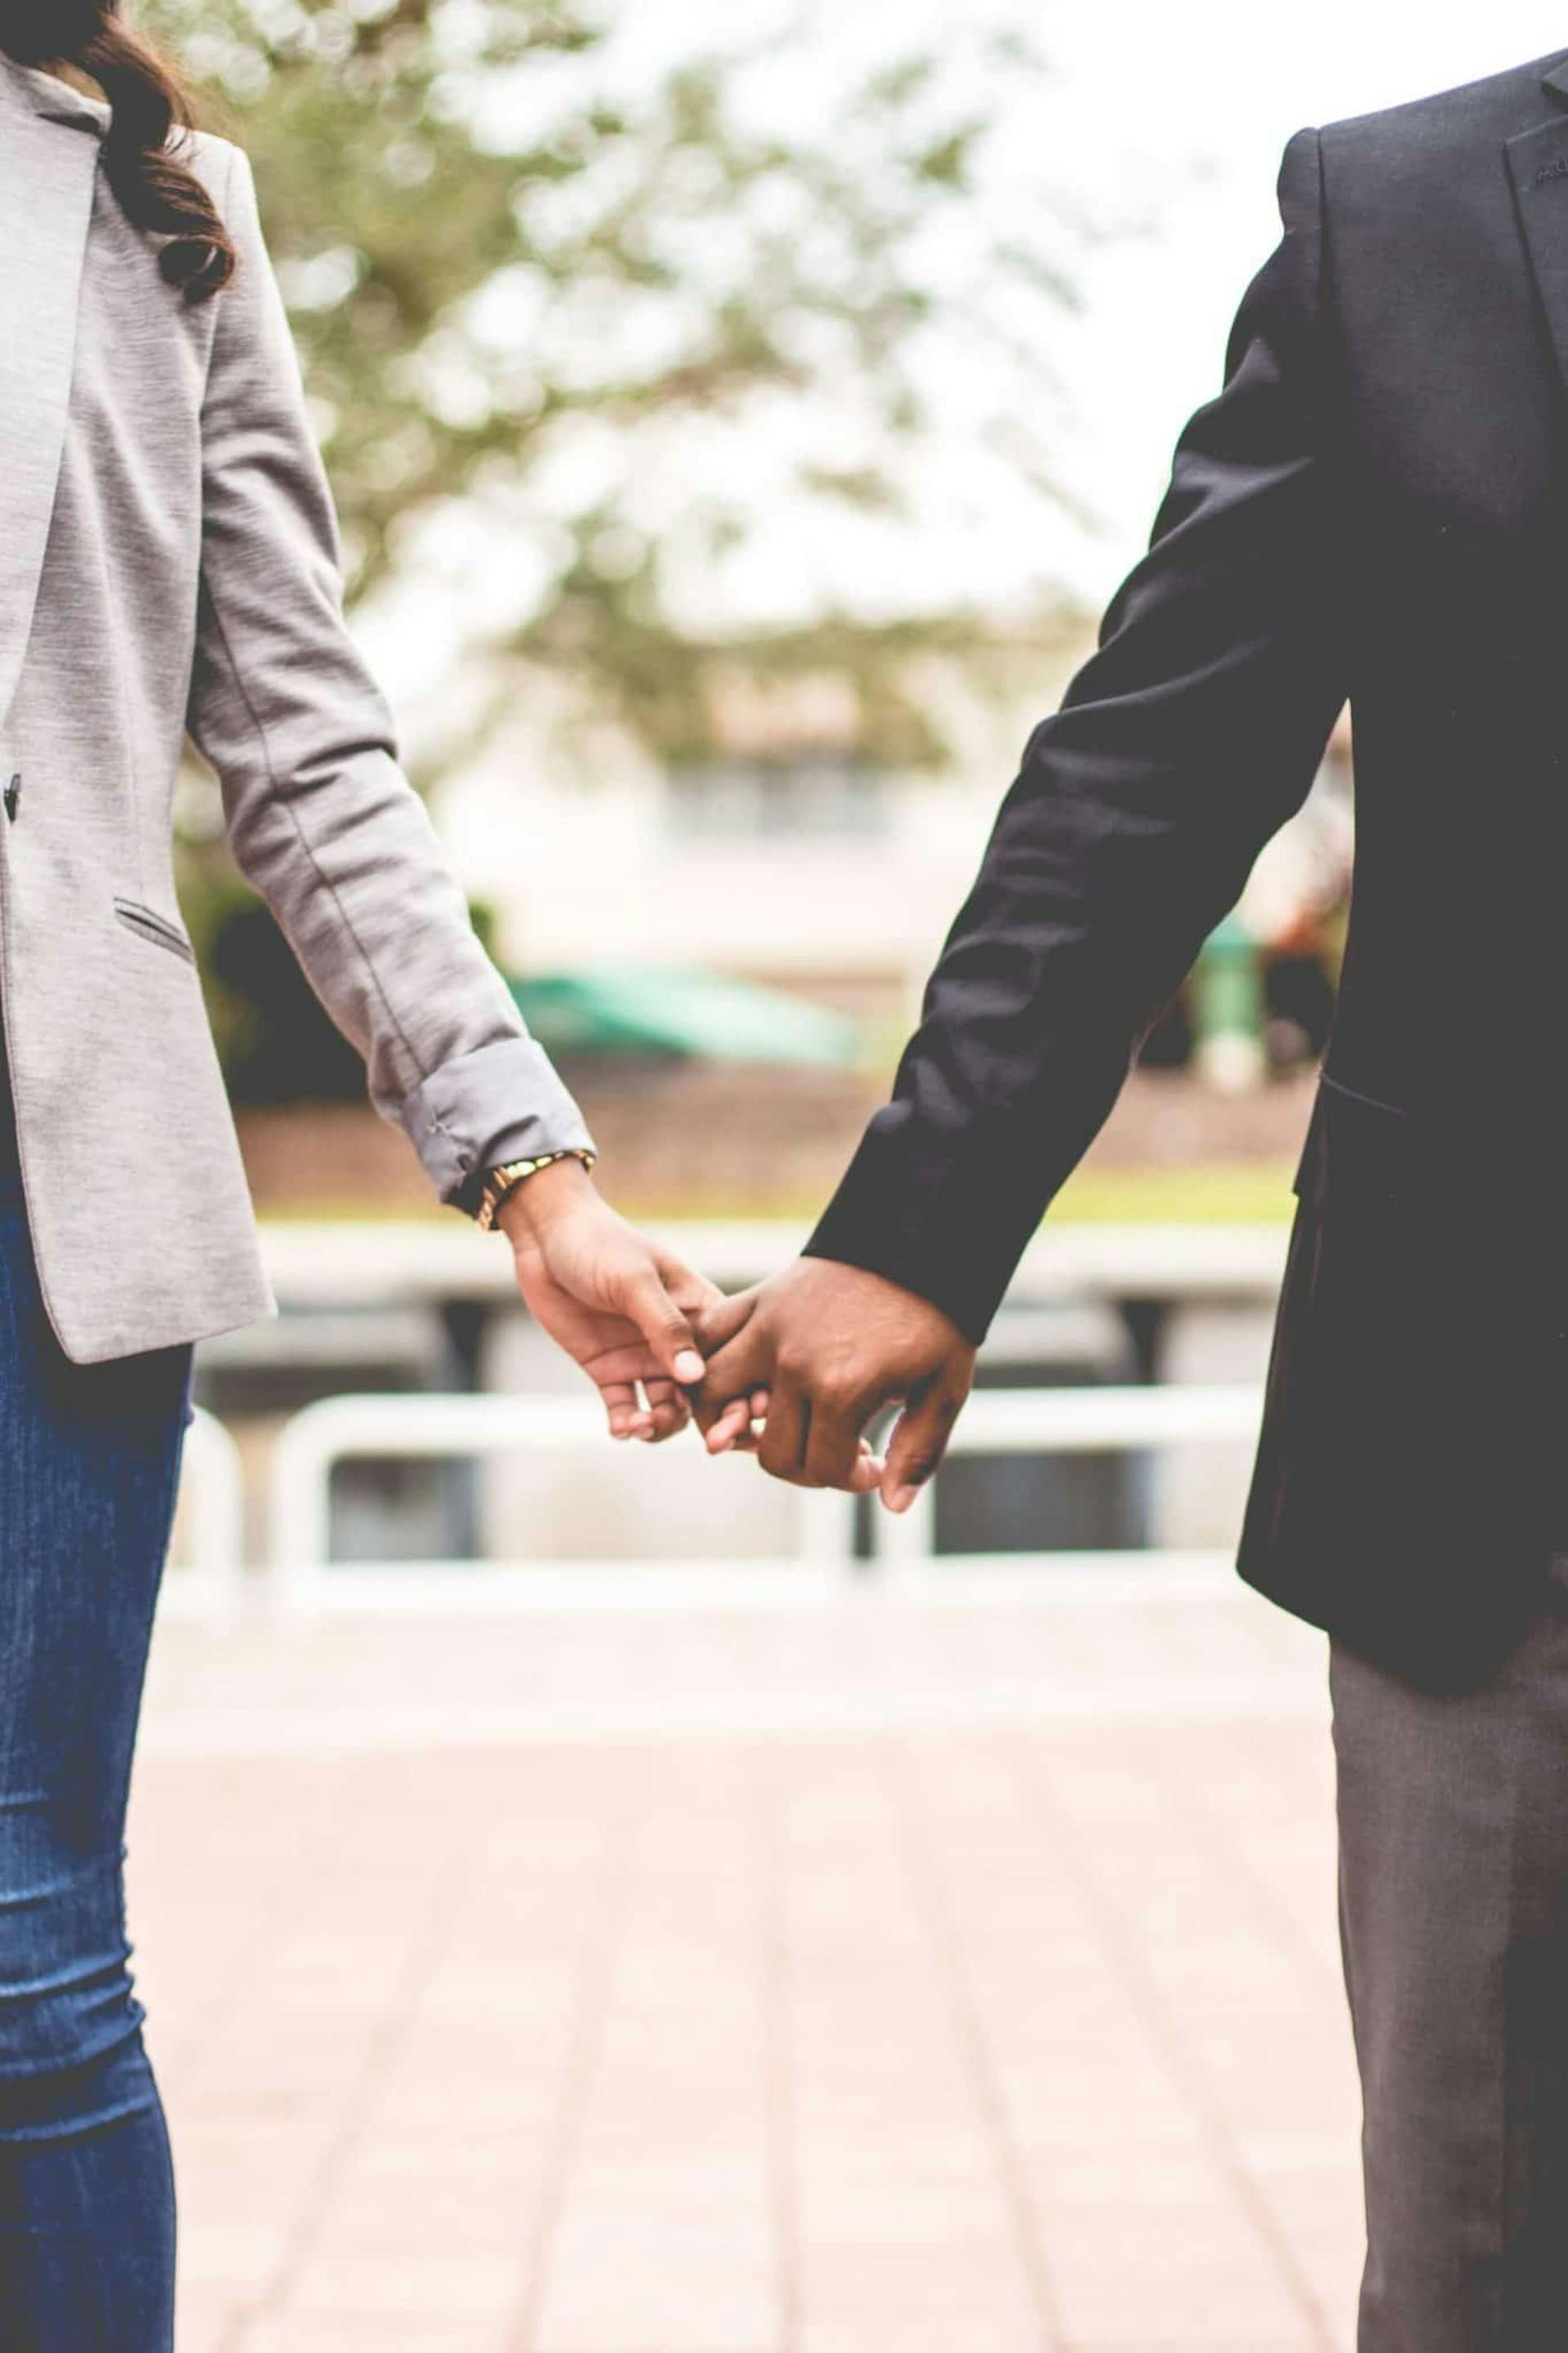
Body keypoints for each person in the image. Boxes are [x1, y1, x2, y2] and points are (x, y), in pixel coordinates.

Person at [697, 44, 1568, 2351]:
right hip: (1514, 1447)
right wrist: (917, 1221)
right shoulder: (1410, 220)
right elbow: (1158, 751)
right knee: (1493, 2251)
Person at [0, 7, 719, 2345]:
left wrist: (529, 1158)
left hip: (42, 1192)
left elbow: (298, 740)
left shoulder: (155, 205)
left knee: (19, 1955)